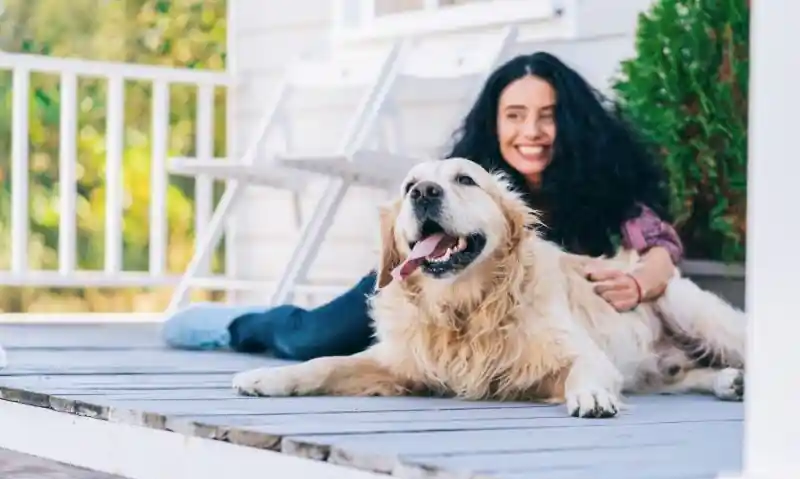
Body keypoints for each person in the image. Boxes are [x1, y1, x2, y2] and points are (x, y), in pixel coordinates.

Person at [162, 51, 684, 360]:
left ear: (571, 124)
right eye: (515, 115)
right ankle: (233, 326)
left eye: (547, 116)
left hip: (505, 331)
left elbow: (657, 244)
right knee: (311, 340)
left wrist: (641, 281)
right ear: (495, 123)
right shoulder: (467, 177)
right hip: (424, 290)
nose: (531, 131)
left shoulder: (602, 183)